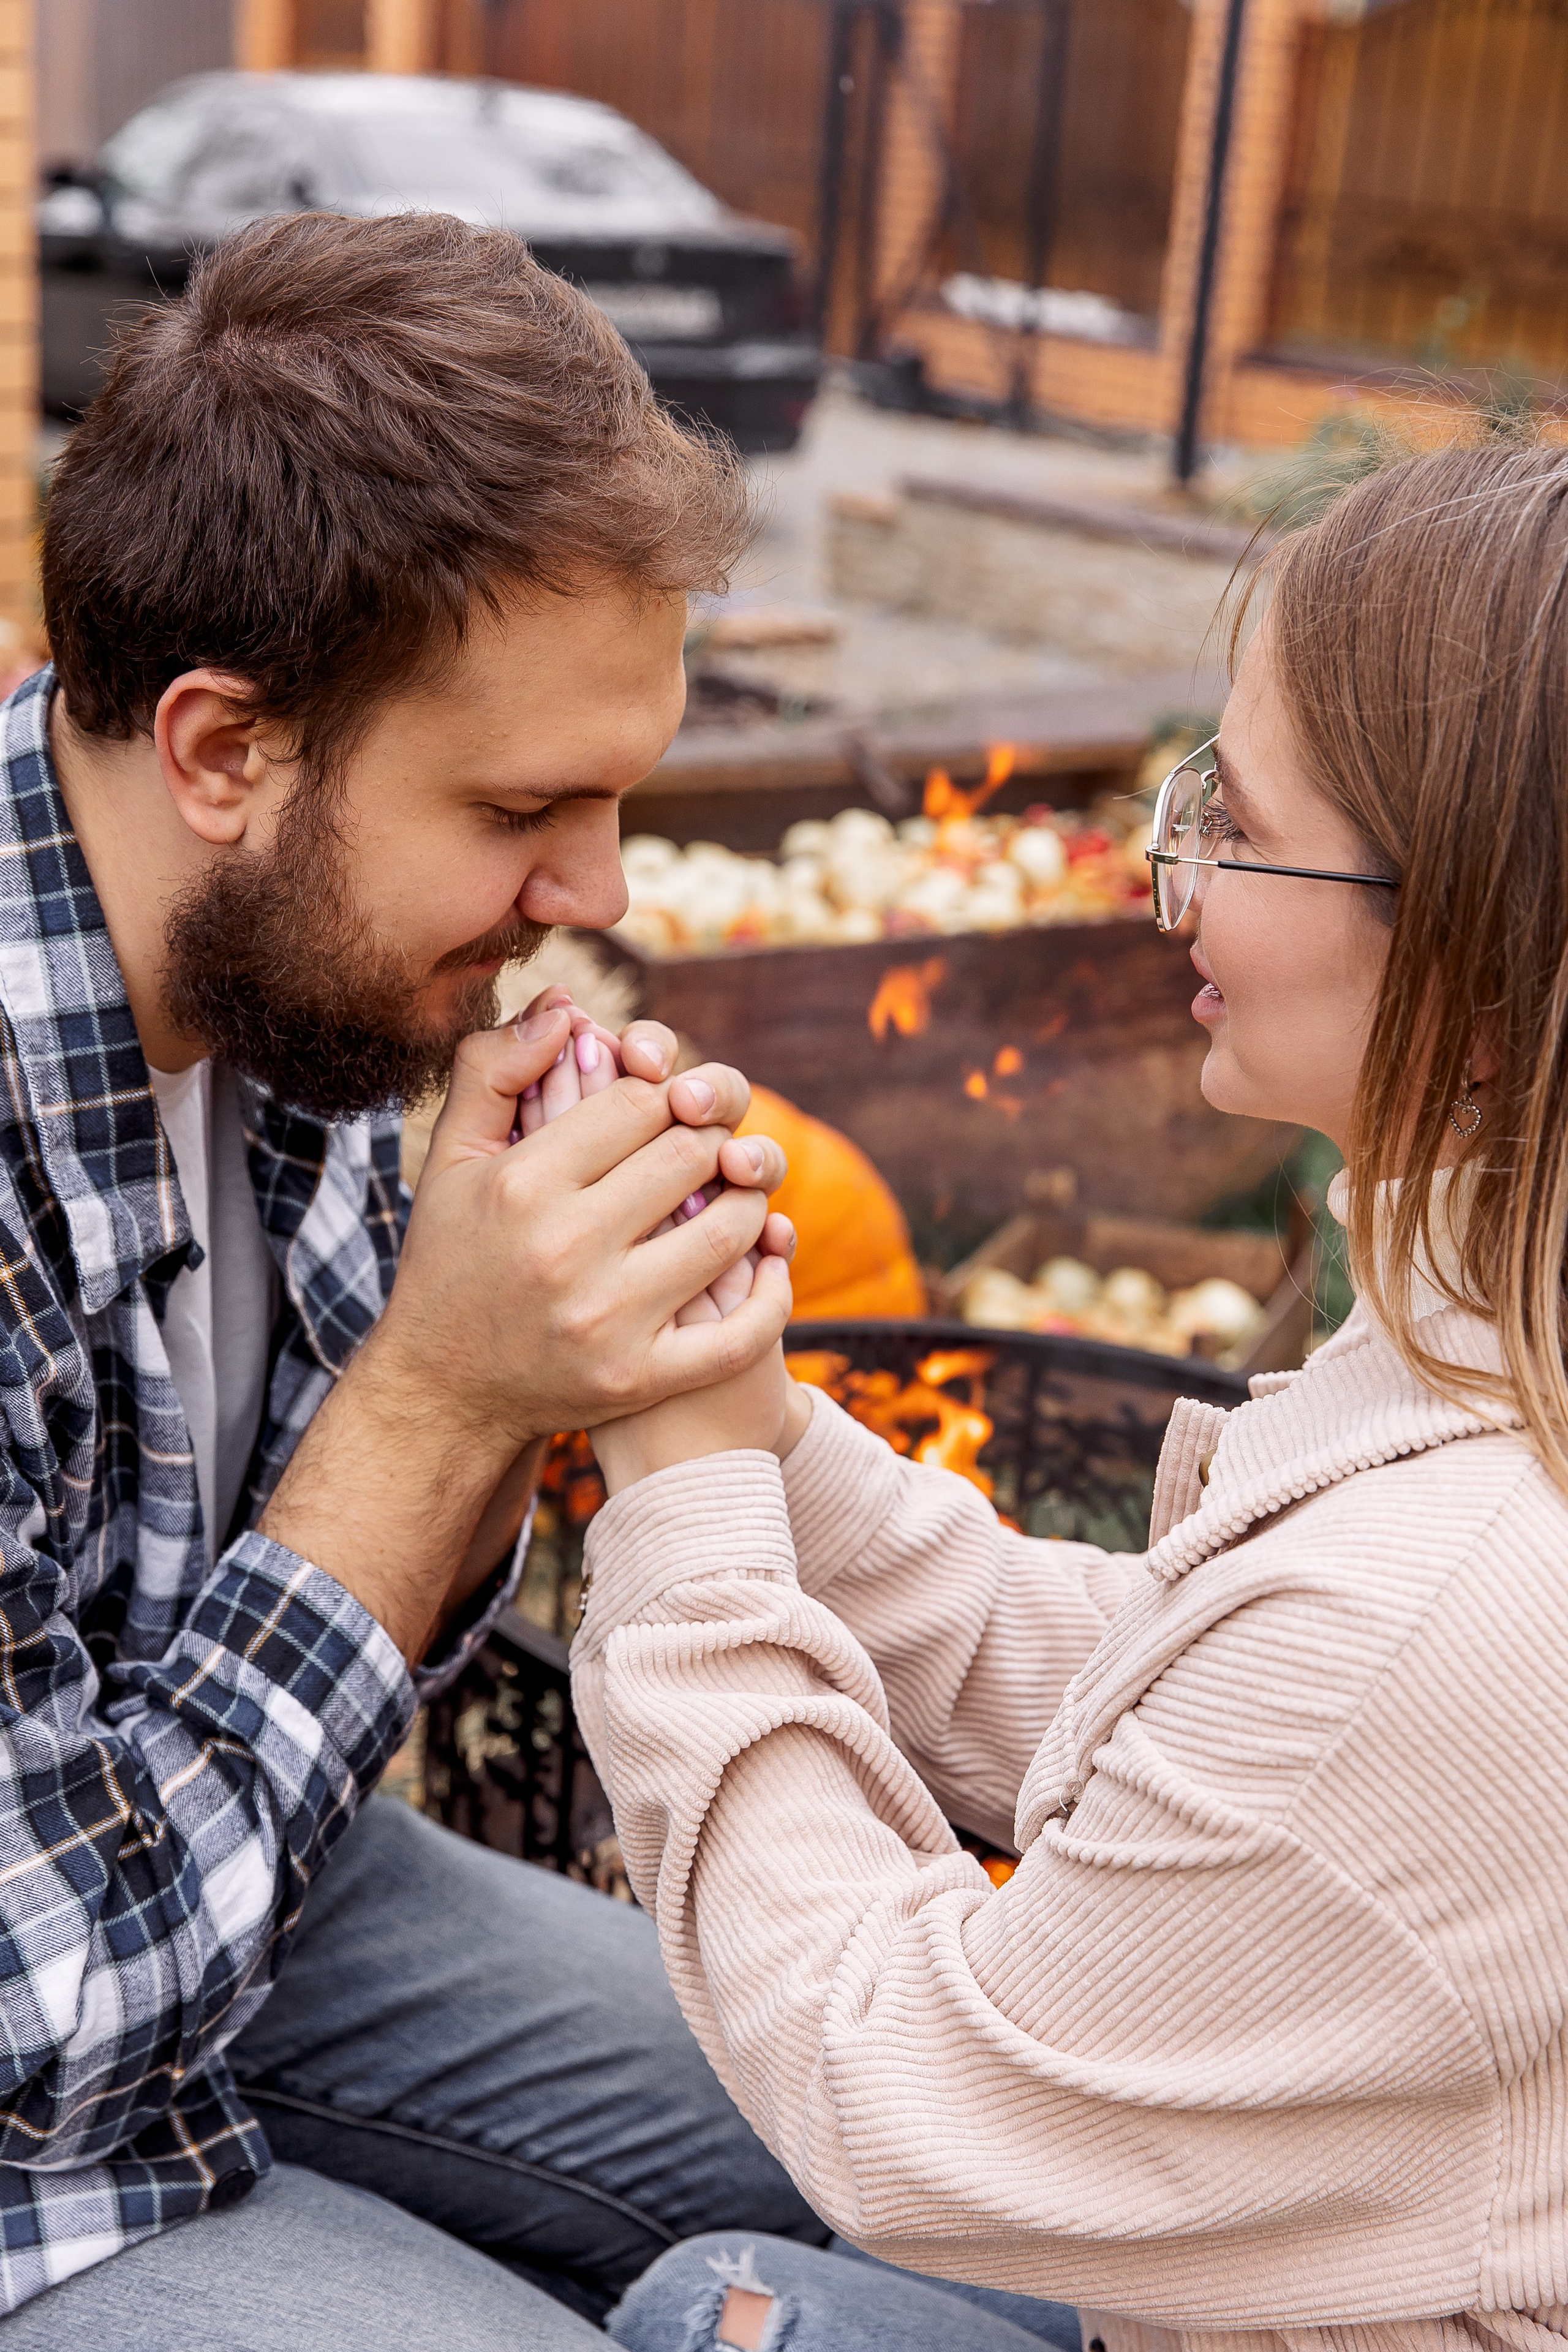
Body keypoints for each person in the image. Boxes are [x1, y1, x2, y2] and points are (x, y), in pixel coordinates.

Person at [570, 443, 1568, 2352]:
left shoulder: (1456, 1592)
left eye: (1234, 822)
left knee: (725, 2314)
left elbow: (906, 2098)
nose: (1164, 866)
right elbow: (1194, 1695)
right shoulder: (1493, 1347)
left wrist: (684, 1517)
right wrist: (771, 1441)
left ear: (1484, 970)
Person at [0, 210, 821, 2348]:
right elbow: (40, 2016)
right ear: (220, 750)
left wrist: (570, 1346)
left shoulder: (304, 978)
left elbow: (373, 1655)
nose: (599, 894)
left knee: (922, 2142)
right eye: (526, 805)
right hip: (26, 2090)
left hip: (239, 1901)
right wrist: (447, 1395)